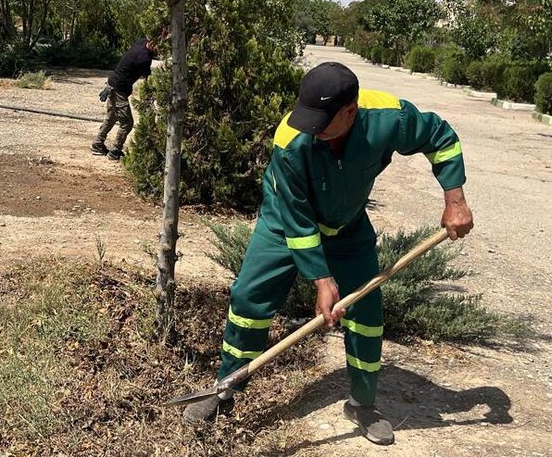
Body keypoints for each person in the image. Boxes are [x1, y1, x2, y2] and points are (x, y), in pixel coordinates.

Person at [182, 62, 474, 446]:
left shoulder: (387, 117)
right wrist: (322, 280)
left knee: (367, 312)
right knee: (249, 298)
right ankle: (226, 386)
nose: (311, 129)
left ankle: (362, 403)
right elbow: (298, 218)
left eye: (321, 121)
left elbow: (440, 136)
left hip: (348, 227)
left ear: (350, 112)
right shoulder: (292, 139)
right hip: (284, 221)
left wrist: (455, 200)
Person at [91, 36, 159, 161]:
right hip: (119, 90)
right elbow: (148, 79)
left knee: (111, 117)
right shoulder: (144, 58)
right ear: (153, 44)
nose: (159, 51)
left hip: (112, 83)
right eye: (159, 47)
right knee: (127, 123)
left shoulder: (141, 42)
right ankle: (116, 150)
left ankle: (97, 144)